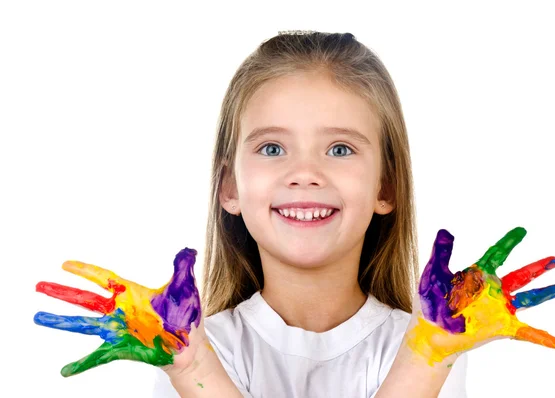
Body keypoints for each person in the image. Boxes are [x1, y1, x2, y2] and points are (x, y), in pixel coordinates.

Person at [155, 30, 468, 397]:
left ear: (385, 187)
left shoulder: (431, 340)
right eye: (272, 148)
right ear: (230, 187)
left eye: (339, 149)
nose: (305, 173)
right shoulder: (188, 347)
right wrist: (192, 368)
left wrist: (425, 358)